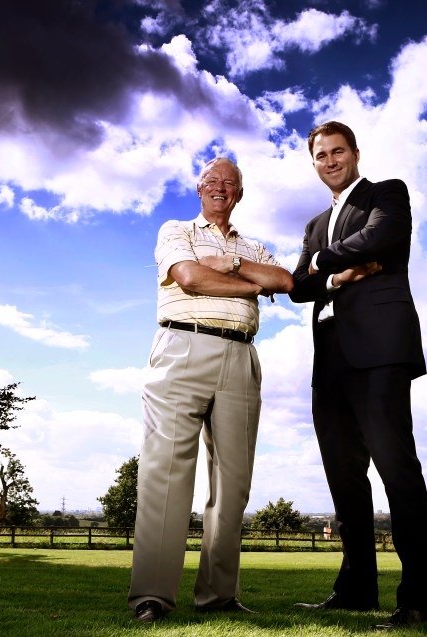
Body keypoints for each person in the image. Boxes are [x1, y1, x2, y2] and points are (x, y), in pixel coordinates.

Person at [289, 121, 427, 630]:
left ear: (354, 153)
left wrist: (322, 265)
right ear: (313, 163)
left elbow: (382, 236)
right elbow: (297, 288)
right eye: (320, 155)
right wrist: (336, 274)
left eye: (337, 151)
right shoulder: (313, 223)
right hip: (328, 359)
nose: (330, 161)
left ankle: (418, 601)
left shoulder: (386, 194)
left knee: (398, 471)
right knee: (344, 478)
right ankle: (356, 591)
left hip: (379, 351)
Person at [128, 157, 293, 624]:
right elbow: (189, 277)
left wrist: (235, 264)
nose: (221, 188)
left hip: (241, 355)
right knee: (165, 472)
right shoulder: (176, 230)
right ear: (200, 189)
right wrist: (246, 284)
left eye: (230, 183)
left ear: (239, 193)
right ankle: (152, 597)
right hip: (183, 345)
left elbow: (282, 280)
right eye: (213, 181)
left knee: (234, 482)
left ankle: (219, 595)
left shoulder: (253, 245)